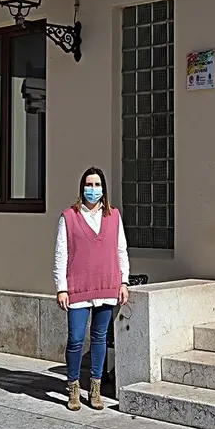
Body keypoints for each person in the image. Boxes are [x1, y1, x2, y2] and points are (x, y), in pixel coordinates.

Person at [54, 167, 129, 411]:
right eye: (89, 184)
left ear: (103, 189)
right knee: (76, 339)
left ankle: (95, 388)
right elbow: (61, 254)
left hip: (107, 286)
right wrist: (61, 288)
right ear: (82, 187)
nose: (93, 189)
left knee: (99, 338)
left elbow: (121, 250)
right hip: (78, 288)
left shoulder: (114, 216)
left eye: (97, 185)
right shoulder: (69, 217)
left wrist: (124, 281)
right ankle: (73, 387)